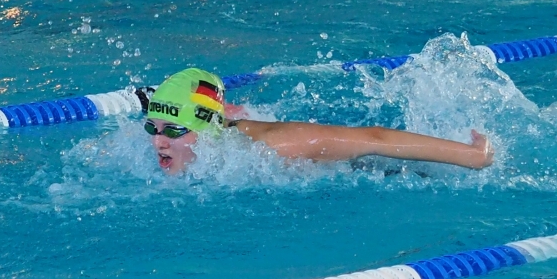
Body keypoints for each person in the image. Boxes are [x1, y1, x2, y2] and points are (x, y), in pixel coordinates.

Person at [144, 68, 494, 175]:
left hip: (371, 167)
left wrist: (473, 155)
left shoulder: (276, 146)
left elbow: (375, 139)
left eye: (173, 130)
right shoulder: (185, 141)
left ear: (208, 128)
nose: (158, 141)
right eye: (153, 128)